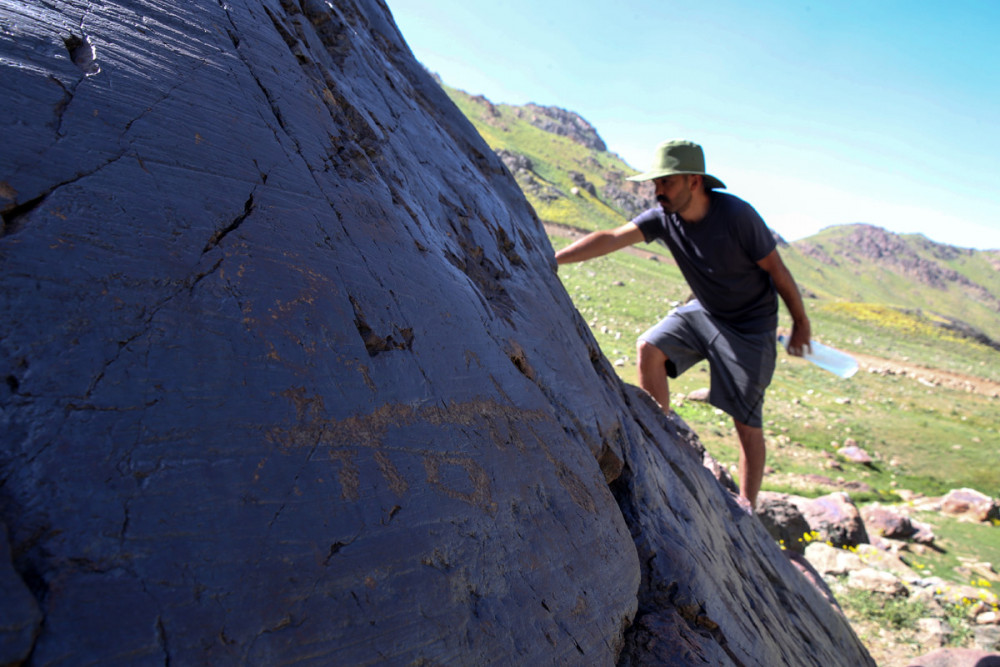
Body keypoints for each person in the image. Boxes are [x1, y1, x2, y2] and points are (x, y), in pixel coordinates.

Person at [554, 139, 811, 509]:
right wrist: (554, 258)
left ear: (694, 181)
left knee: (746, 420)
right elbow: (612, 238)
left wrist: (800, 323)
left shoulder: (738, 216)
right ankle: (661, 437)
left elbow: (778, 271)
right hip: (705, 311)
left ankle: (747, 505)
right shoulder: (663, 217)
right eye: (655, 184)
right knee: (649, 348)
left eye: (666, 182)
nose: (658, 191)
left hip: (750, 329)